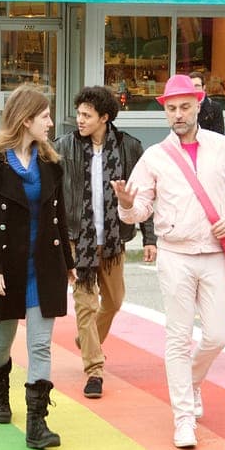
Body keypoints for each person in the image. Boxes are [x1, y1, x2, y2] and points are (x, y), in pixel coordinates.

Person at [111, 74, 225, 449]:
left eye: (185, 106)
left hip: (214, 253)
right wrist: (126, 204)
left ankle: (190, 383)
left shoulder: (223, 147)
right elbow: (139, 208)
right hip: (174, 254)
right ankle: (183, 417)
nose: (178, 114)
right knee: (177, 336)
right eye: (171, 108)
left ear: (199, 104)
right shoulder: (155, 156)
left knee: (218, 335)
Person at [0, 84, 76, 450]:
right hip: (6, 266)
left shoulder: (51, 162)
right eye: (44, 116)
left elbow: (58, 217)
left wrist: (68, 264)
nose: (50, 122)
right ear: (26, 119)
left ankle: (36, 423)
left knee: (41, 344)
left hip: (44, 264)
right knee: (2, 338)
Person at [54, 85, 157, 400]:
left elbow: (145, 195)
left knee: (113, 302)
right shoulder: (64, 147)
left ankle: (88, 340)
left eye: (87, 115)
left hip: (113, 241)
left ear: (105, 117)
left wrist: (150, 237)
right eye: (79, 114)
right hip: (79, 241)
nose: (79, 120)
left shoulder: (129, 148)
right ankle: (94, 370)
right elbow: (53, 197)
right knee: (86, 306)